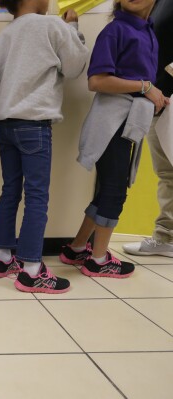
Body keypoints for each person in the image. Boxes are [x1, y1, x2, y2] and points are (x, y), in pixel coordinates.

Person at [0, 0, 88, 293]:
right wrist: (74, 28)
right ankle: (31, 270)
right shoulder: (53, 25)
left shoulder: (0, 38)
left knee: (10, 190)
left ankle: (2, 259)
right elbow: (75, 66)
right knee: (37, 196)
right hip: (34, 124)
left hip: (5, 125)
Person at [60, 0, 168, 277]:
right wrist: (146, 87)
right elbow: (97, 81)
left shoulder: (147, 31)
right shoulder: (116, 30)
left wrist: (152, 94)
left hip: (127, 121)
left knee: (109, 187)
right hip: (112, 123)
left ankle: (76, 248)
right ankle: (98, 260)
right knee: (114, 191)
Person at [123, 0, 173, 257]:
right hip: (157, 100)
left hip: (166, 97)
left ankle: (166, 235)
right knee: (167, 174)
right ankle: (166, 235)